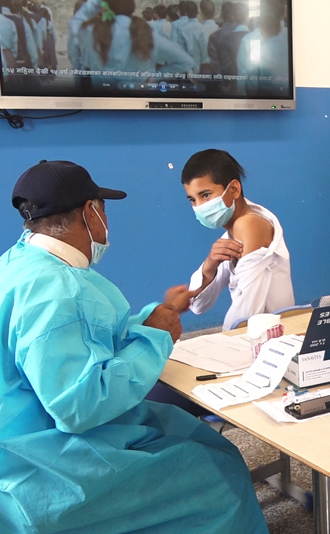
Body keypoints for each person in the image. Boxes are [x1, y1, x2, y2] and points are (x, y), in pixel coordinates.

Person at [0, 160, 269, 534]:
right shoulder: (58, 292)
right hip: (44, 464)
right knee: (218, 470)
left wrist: (149, 321)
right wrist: (153, 337)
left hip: (22, 434)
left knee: (181, 428)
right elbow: (78, 406)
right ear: (91, 211)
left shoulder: (21, 263)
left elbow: (85, 337)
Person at [183, 149, 295, 331]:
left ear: (234, 189)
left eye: (205, 195)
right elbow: (197, 305)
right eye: (192, 200)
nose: (199, 206)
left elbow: (245, 312)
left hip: (271, 339)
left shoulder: (249, 224)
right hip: (260, 336)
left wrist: (224, 343)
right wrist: (210, 265)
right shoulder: (232, 234)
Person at [70, 0, 194, 80]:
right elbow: (186, 61)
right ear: (132, 8)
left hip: (101, 100)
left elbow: (80, 65)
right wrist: (155, 77)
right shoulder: (147, 33)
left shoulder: (92, 33)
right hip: (139, 98)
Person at [177, 0, 209, 73]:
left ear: (186, 13)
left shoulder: (182, 29)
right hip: (201, 64)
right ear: (197, 12)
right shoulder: (202, 28)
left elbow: (181, 50)